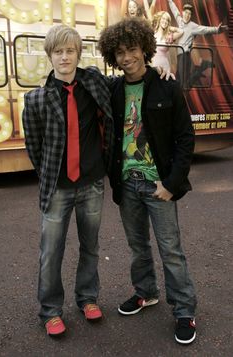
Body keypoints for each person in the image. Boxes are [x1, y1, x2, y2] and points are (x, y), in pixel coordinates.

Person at [98, 17, 197, 345]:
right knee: (137, 246)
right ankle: (146, 293)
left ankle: (184, 309)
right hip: (127, 184)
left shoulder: (167, 85)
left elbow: (185, 138)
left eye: (132, 50)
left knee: (171, 249)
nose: (127, 57)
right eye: (120, 53)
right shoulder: (112, 89)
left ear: (145, 49)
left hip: (159, 185)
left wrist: (171, 183)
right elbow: (82, 83)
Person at [22, 25, 114, 336]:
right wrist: (49, 173)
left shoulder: (93, 83)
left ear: (78, 53)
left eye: (70, 50)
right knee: (51, 252)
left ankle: (87, 298)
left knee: (90, 245)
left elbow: (129, 81)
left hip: (91, 184)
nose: (64, 56)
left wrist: (160, 73)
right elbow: (34, 148)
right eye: (58, 51)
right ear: (50, 55)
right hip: (57, 189)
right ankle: (50, 310)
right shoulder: (36, 100)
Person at [167, 1, 228, 85]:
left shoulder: (193, 26)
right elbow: (174, 10)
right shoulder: (180, 21)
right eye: (186, 13)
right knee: (179, 82)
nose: (187, 15)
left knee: (183, 84)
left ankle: (201, 68)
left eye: (189, 14)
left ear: (190, 16)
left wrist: (217, 30)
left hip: (185, 56)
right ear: (182, 13)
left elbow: (205, 29)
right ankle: (200, 69)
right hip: (179, 56)